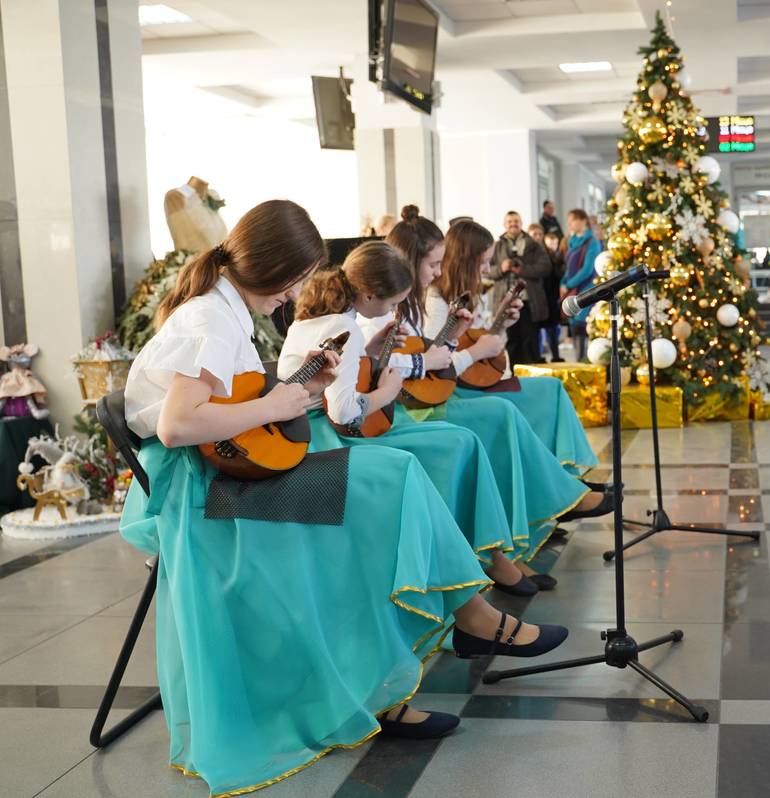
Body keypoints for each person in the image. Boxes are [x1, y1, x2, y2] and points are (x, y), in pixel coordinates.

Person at [118, 200, 568, 797]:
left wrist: (302, 378)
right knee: (393, 484)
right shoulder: (211, 319)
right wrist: (280, 404)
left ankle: (448, 635)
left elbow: (228, 403)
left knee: (395, 477)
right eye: (299, 278)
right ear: (276, 268)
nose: (300, 291)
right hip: (207, 494)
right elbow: (177, 426)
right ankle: (455, 632)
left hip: (227, 471)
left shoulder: (222, 309)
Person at [279, 240, 579, 595]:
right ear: (371, 295)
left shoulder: (331, 319)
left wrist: (373, 349)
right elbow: (343, 410)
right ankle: (478, 567)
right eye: (392, 302)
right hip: (324, 436)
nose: (394, 308)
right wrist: (387, 393)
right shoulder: (342, 327)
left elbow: (343, 378)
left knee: (461, 441)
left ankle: (492, 558)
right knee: (455, 444)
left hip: (326, 428)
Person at [431, 218, 602, 476]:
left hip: (473, 379)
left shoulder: (469, 294)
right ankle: (551, 481)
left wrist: (502, 323)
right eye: (483, 262)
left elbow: (482, 343)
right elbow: (437, 365)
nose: (488, 269)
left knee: (553, 388)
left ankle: (568, 473)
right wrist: (479, 350)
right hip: (456, 389)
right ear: (464, 262)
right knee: (518, 404)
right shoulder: (436, 303)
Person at [487, 211, 551, 364]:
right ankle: (514, 373)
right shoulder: (497, 246)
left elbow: (546, 267)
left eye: (516, 221)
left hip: (528, 301)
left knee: (530, 340)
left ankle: (532, 374)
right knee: (512, 340)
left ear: (521, 223)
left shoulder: (533, 245)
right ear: (504, 224)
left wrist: (523, 270)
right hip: (505, 301)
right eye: (509, 221)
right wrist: (501, 268)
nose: (513, 224)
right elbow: (487, 270)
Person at [563, 208, 601, 361]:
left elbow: (587, 269)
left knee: (582, 324)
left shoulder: (592, 241)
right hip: (573, 288)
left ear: (583, 220)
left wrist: (569, 284)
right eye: (569, 221)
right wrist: (563, 283)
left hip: (587, 287)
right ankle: (578, 362)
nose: (570, 224)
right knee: (574, 324)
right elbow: (568, 266)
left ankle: (585, 362)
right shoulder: (572, 241)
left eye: (573, 220)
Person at [541, 227, 567, 361]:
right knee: (549, 328)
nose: (552, 245)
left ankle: (555, 355)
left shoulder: (557, 257)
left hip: (554, 296)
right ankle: (554, 355)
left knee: (553, 328)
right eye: (550, 242)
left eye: (554, 243)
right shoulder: (546, 257)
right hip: (546, 296)